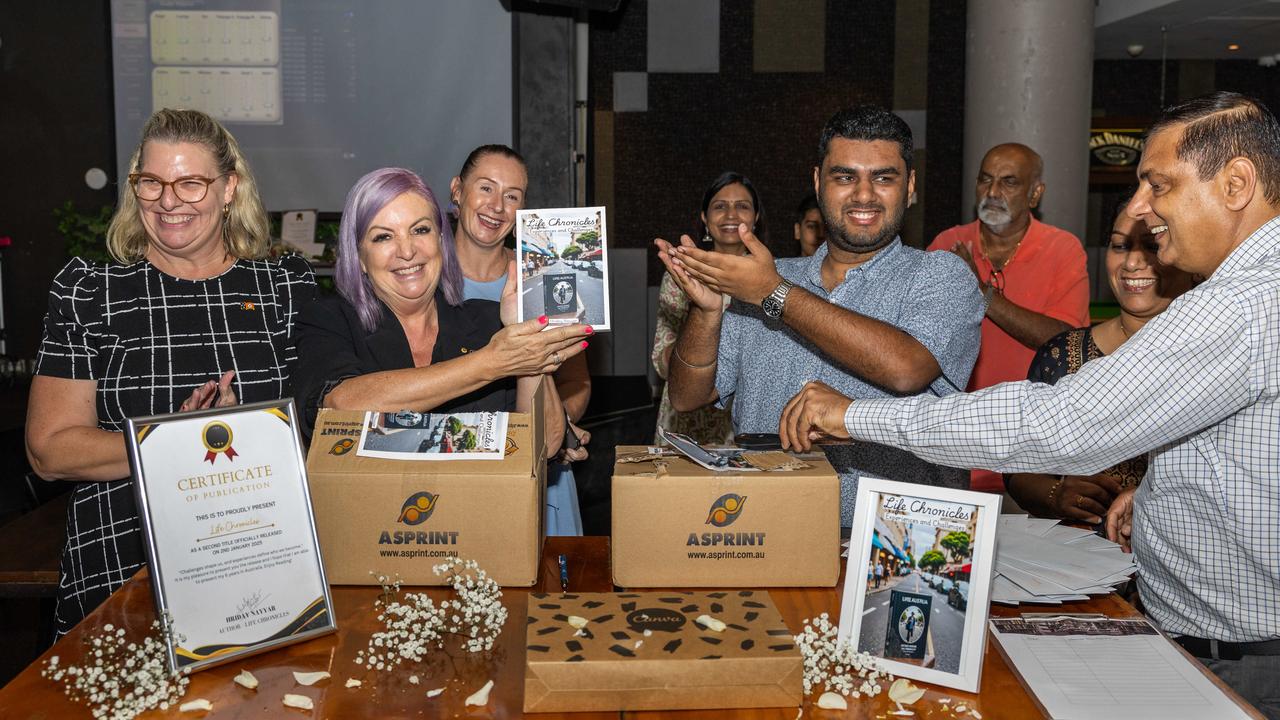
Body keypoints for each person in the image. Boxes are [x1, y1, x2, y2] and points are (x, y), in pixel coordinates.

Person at [780, 91, 1280, 717]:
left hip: (1245, 654)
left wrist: (852, 414)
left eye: (1159, 185)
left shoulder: (1245, 302)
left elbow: (1062, 423)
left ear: (1236, 184)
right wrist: (1156, 497)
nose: (1140, 209)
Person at [25, 108, 318, 635]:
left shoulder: (284, 290)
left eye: (189, 183)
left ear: (229, 189)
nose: (167, 201)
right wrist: (178, 441)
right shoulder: (92, 295)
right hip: (120, 561)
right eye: (152, 182)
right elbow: (49, 451)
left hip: (258, 565)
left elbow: (319, 432)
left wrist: (248, 435)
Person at [656, 105, 984, 526]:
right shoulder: (769, 278)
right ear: (817, 182)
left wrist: (771, 293)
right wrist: (706, 312)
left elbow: (908, 368)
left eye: (884, 177)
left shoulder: (941, 275)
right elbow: (686, 398)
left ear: (910, 186)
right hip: (766, 532)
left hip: (895, 546)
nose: (864, 195)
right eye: (844, 177)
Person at [293, 168, 591, 465]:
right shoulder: (328, 318)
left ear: (440, 239)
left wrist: (528, 342)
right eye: (383, 237)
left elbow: (546, 444)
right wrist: (493, 362)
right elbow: (342, 406)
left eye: (420, 230)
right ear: (359, 257)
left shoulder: (489, 321)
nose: (407, 251)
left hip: (483, 507)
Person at [1006, 198, 1195, 523]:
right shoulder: (1062, 355)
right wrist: (1055, 495)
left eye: (1151, 246)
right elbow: (1017, 470)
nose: (1132, 262)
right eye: (1119, 245)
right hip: (1076, 559)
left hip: (1189, 561)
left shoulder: (1209, 355)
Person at [928, 143, 1090, 492]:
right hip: (956, 446)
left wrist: (981, 293)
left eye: (1009, 182)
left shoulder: (1062, 249)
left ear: (1035, 194)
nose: (993, 192)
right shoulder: (949, 242)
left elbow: (1066, 340)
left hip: (1033, 456)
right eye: (985, 180)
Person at [449, 145, 590, 536]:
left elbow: (577, 382)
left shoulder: (544, 275)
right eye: (486, 188)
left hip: (539, 469)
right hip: (453, 475)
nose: (497, 206)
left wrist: (563, 426)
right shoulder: (418, 276)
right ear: (457, 190)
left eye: (512, 196)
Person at [651, 171, 765, 445]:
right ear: (704, 217)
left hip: (743, 421)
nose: (731, 214)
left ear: (756, 218)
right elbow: (661, 363)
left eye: (742, 206)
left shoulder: (768, 277)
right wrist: (701, 316)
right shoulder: (682, 274)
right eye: (719, 206)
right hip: (684, 422)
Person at [794, 192, 825, 257]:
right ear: (797, 231)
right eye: (812, 226)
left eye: (827, 228)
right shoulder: (779, 266)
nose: (820, 234)